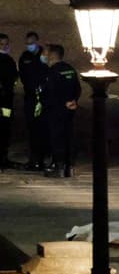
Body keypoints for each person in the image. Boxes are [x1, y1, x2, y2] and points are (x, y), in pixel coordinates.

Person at [39, 44, 81, 178]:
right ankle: (69, 167)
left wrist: (44, 103)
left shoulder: (52, 71)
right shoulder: (70, 69)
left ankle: (59, 168)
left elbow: (50, 92)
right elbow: (77, 88)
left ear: (52, 55)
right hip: (70, 109)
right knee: (68, 137)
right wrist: (73, 100)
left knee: (57, 138)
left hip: (56, 111)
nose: (44, 55)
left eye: (46, 53)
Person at [17, 31, 47, 171]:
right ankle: (34, 159)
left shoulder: (44, 55)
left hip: (43, 97)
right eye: (27, 43)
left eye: (32, 43)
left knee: (43, 128)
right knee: (32, 128)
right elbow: (23, 75)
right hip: (30, 97)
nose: (29, 45)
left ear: (37, 42)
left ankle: (42, 158)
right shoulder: (25, 57)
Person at [0, 33, 16, 169]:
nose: (5, 46)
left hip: (6, 102)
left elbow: (13, 78)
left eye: (6, 44)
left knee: (5, 127)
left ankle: (3, 157)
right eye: (2, 44)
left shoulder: (9, 60)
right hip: (2, 100)